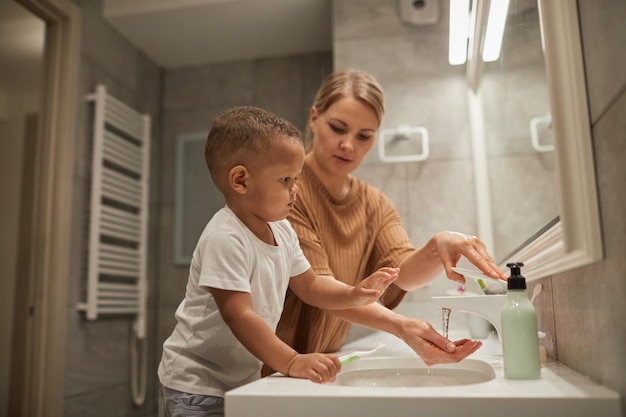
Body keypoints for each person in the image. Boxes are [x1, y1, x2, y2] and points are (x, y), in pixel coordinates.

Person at [157, 106, 399, 417]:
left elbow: (310, 286)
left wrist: (353, 294)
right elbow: (239, 315)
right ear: (241, 180)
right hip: (196, 381)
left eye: (296, 178)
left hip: (237, 378)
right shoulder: (225, 237)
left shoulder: (282, 231)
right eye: (285, 179)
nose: (294, 190)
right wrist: (292, 361)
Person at [264, 69, 507, 376]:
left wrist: (437, 246)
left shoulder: (374, 203)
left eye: (364, 136)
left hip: (321, 365)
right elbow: (318, 289)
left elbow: (401, 274)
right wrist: (400, 326)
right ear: (314, 118)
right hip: (272, 367)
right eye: (338, 128)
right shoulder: (287, 191)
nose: (349, 145)